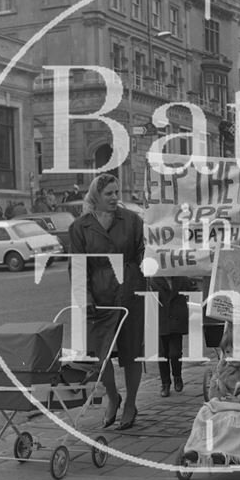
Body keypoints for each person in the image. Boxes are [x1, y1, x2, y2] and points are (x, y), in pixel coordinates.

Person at [68, 173, 145, 430]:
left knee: (131, 353)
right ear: (96, 196)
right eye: (109, 193)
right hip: (98, 298)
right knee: (100, 356)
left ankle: (131, 403)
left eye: (116, 193)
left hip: (129, 293)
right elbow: (78, 268)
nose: (114, 198)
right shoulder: (80, 227)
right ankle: (113, 397)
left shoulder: (132, 221)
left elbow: (141, 255)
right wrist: (86, 298)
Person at [183, 325, 240, 477]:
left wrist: (237, 400)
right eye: (227, 352)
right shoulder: (224, 367)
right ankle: (198, 449)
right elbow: (213, 395)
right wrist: (217, 381)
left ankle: (234, 453)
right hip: (224, 405)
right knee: (205, 414)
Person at [149, 276, 194, 397]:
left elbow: (194, 291)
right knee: (162, 355)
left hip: (176, 322)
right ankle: (165, 383)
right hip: (160, 322)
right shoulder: (152, 281)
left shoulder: (182, 279)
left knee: (175, 353)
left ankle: (177, 376)